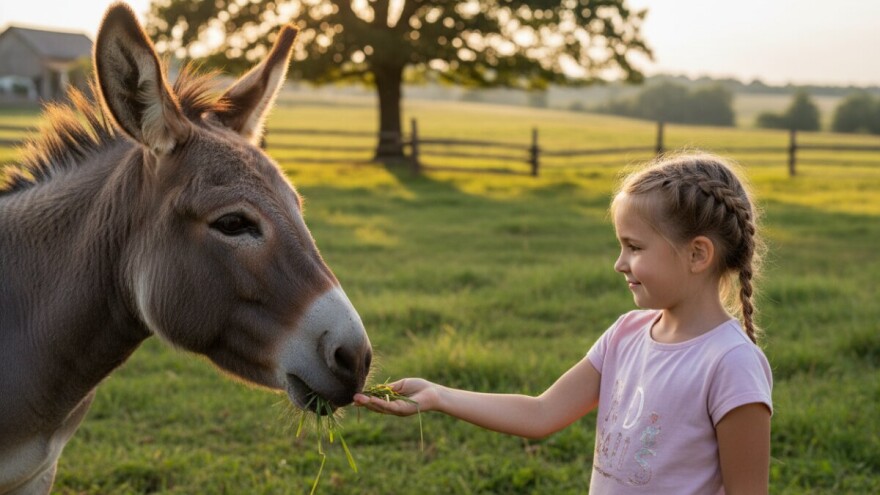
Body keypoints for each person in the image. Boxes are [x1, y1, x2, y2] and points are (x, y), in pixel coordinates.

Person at [354, 153, 773, 494]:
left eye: (634, 247)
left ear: (698, 255)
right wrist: (438, 396)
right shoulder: (625, 334)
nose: (619, 263)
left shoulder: (730, 364)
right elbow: (542, 412)